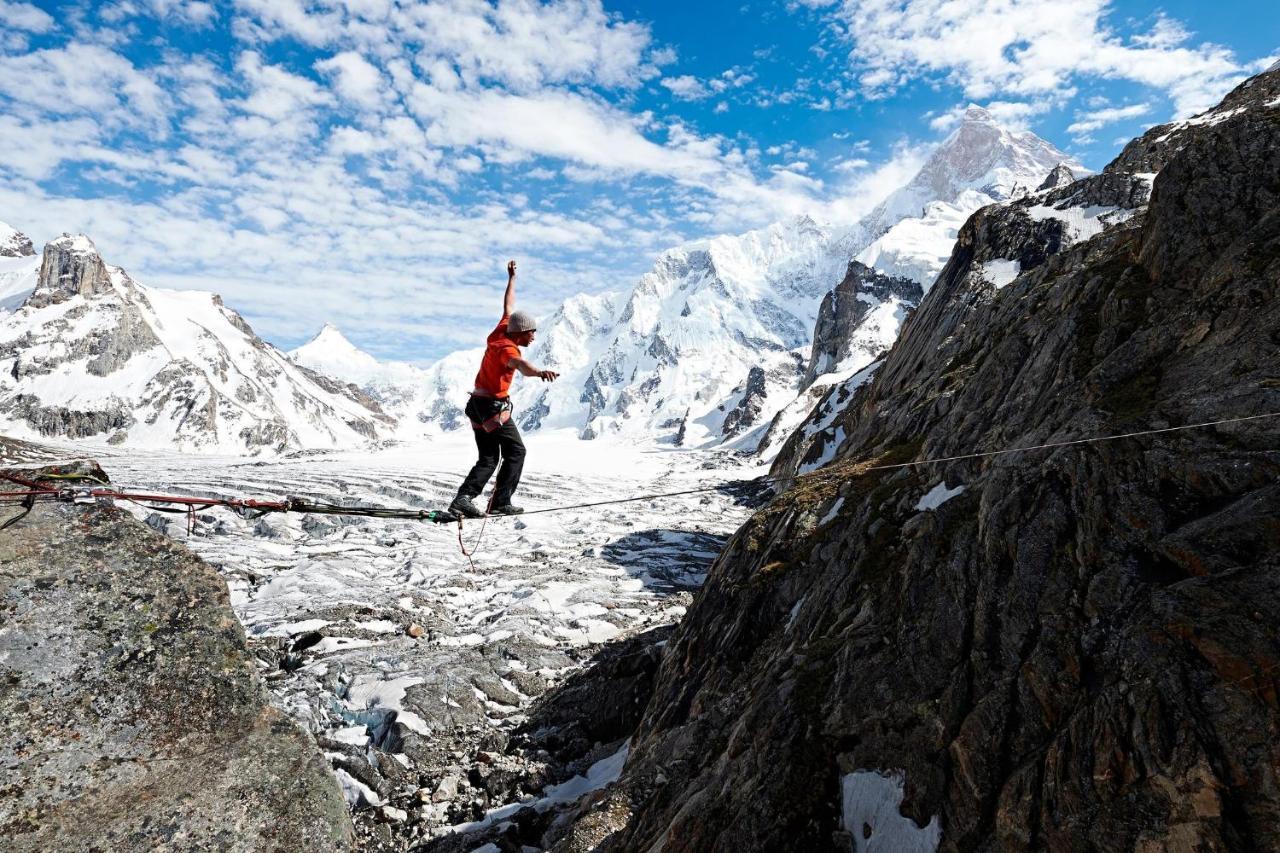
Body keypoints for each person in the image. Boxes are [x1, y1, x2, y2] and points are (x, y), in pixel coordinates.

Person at [450, 260, 558, 518]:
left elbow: (508, 304)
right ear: (520, 333)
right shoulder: (506, 349)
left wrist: (512, 278)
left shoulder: (502, 328)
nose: (533, 337)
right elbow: (520, 365)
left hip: (476, 406)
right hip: (491, 409)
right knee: (516, 451)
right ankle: (500, 501)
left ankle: (463, 499)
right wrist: (540, 372)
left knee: (488, 458)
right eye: (531, 333)